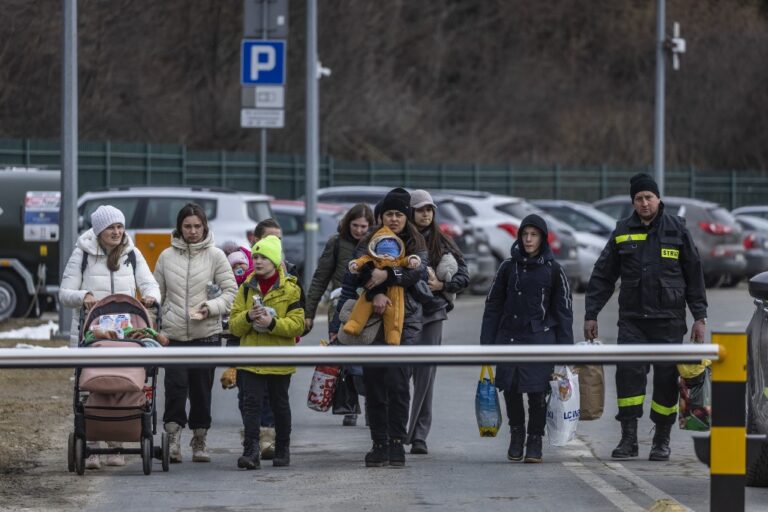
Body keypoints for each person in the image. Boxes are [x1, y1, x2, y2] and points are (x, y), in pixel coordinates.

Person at [585, 173, 708, 461]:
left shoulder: (676, 230)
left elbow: (694, 275)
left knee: (666, 381)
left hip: (669, 321)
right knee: (628, 379)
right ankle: (628, 439)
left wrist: (699, 316)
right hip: (632, 321)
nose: (644, 203)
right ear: (633, 202)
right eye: (638, 199)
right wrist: (591, 313)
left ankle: (661, 440)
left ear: (658, 198)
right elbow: (603, 275)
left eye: (648, 197)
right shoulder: (622, 231)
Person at [331, 187, 428, 468]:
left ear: (406, 217)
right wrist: (376, 293)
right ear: (381, 216)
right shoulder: (370, 239)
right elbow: (357, 272)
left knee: (398, 383)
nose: (394, 219)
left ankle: (397, 443)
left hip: (405, 321)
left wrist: (387, 275)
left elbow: (416, 272)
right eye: (389, 214)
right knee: (374, 383)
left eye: (399, 214)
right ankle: (379, 443)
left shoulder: (415, 240)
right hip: (373, 322)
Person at [59, 204, 161, 469]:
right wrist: (84, 296)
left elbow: (150, 283)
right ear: (98, 231)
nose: (117, 232)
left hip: (127, 334)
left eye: (119, 226)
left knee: (123, 385)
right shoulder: (82, 254)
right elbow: (65, 292)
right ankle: (92, 446)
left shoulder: (132, 253)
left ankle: (117, 444)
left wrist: (151, 296)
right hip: (93, 333)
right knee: (94, 386)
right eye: (110, 228)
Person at [480, 214, 573, 463]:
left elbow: (564, 312)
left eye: (534, 235)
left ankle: (535, 439)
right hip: (508, 337)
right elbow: (493, 306)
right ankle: (517, 435)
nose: (529, 239)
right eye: (525, 234)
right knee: (510, 390)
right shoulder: (508, 267)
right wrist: (485, 346)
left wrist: (567, 353)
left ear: (542, 238)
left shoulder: (554, 270)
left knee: (536, 393)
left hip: (540, 339)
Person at [153, 202, 237, 463]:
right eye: (187, 226)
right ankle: (173, 437)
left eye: (197, 226)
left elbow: (231, 294)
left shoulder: (216, 256)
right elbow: (156, 295)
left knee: (202, 390)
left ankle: (200, 438)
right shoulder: (166, 257)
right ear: (179, 228)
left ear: (204, 227)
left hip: (206, 335)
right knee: (175, 387)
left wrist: (209, 308)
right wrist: (155, 326)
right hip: (174, 335)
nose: (192, 231)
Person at [229, 235, 305, 469]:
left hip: (279, 357)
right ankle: (251, 451)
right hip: (250, 357)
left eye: (263, 257)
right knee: (251, 404)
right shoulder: (245, 288)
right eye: (256, 257)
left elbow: (298, 325)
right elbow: (233, 325)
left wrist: (272, 323)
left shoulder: (291, 289)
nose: (258, 261)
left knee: (279, 404)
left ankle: (283, 448)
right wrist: (248, 316)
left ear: (274, 261)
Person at [405, 190, 469, 455]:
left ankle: (419, 435)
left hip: (432, 314)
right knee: (397, 374)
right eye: (420, 209)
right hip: (403, 314)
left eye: (429, 209)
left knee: (425, 378)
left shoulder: (443, 241)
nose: (426, 214)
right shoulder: (400, 239)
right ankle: (394, 431)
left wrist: (443, 284)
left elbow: (464, 275)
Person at [304, 203, 374, 426]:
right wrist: (309, 313)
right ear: (347, 224)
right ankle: (349, 407)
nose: (359, 230)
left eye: (364, 226)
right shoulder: (336, 243)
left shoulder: (377, 244)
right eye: (355, 225)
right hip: (340, 311)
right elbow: (319, 278)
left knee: (369, 362)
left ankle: (372, 406)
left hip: (369, 311)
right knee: (344, 360)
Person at [344, 225, 422, 344]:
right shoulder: (371, 260)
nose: (386, 256)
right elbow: (361, 261)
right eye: (383, 252)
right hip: (371, 290)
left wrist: (413, 260)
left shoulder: (397, 262)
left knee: (395, 314)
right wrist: (355, 264)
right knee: (362, 306)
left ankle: (393, 335)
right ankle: (354, 324)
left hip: (395, 292)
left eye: (390, 253)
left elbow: (406, 261)